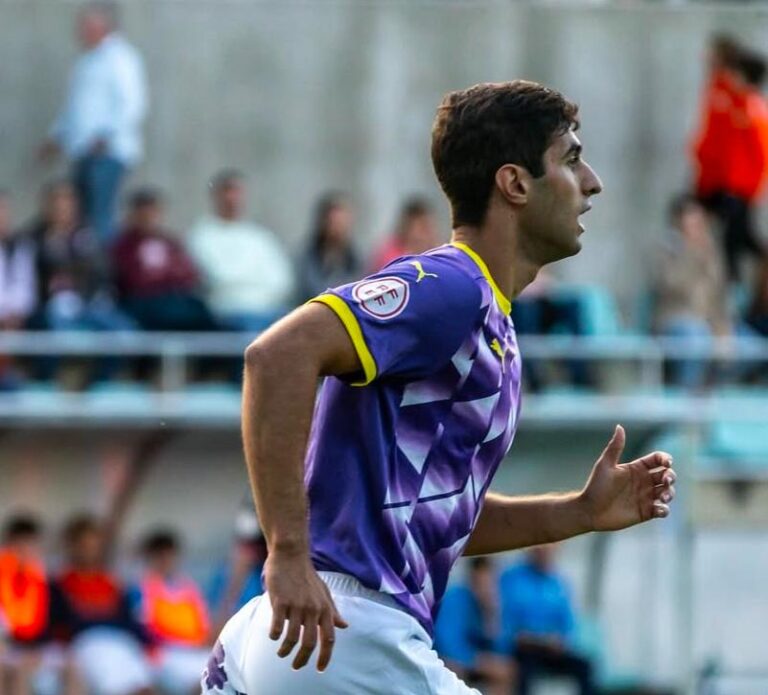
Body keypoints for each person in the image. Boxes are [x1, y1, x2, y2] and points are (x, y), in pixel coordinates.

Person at [203, 81, 677, 694]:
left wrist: (577, 513)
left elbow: (432, 515)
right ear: (515, 184)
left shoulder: (492, 323)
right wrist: (287, 552)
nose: (592, 182)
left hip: (299, 637)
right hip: (345, 629)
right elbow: (277, 356)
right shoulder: (451, 286)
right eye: (570, 159)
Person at [40, 1, 148, 245]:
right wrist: (56, 137)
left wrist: (105, 136)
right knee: (80, 218)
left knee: (100, 217)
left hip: (107, 152)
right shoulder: (86, 62)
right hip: (82, 151)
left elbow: (133, 104)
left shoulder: (121, 58)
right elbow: (76, 109)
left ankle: (100, 276)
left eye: (86, 26)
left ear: (103, 27)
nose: (80, 32)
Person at [49, 514, 154, 695]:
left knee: (143, 685)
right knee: (116, 684)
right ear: (71, 547)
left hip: (120, 642)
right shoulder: (60, 583)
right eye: (84, 546)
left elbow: (128, 620)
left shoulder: (111, 583)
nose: (89, 551)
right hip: (86, 643)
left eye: (93, 546)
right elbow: (61, 623)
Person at [691, 36, 768, 280]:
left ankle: (734, 297)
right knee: (735, 239)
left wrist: (746, 190)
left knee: (734, 243)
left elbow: (758, 156)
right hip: (721, 183)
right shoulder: (731, 99)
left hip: (737, 189)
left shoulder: (750, 108)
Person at [187, 170, 296, 332]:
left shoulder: (259, 236)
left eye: (237, 192)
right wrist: (255, 281)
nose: (233, 198)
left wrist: (246, 285)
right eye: (227, 191)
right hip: (227, 314)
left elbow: (281, 281)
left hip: (267, 310)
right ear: (215, 195)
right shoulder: (202, 236)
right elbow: (219, 279)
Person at [652, 194, 731, 389]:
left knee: (750, 346)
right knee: (696, 340)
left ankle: (710, 393)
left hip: (707, 322)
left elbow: (718, 293)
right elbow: (671, 284)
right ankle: (685, 400)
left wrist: (723, 327)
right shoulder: (666, 249)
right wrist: (691, 253)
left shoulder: (711, 251)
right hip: (674, 321)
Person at [112, 187, 218, 332]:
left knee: (204, 313)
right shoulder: (124, 246)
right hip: (142, 303)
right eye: (144, 213)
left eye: (153, 212)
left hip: (174, 299)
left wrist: (162, 276)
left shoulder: (170, 242)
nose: (149, 218)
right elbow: (134, 280)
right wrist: (166, 276)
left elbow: (189, 274)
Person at [500, 545, 593, 695]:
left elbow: (568, 625)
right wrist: (524, 637)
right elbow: (505, 620)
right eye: (540, 548)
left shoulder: (559, 583)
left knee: (584, 665)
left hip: (550, 650)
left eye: (548, 549)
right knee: (523, 671)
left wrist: (561, 640)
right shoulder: (512, 578)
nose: (544, 552)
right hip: (523, 649)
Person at [132, 529, 210, 695]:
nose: (165, 560)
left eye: (168, 555)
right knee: (202, 684)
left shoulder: (189, 589)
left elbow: (203, 629)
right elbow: (143, 633)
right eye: (159, 556)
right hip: (164, 655)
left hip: (194, 652)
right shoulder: (141, 590)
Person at [434, 558, 513, 695]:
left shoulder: (496, 602)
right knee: (454, 668)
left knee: (505, 670)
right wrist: (476, 661)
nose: (484, 586)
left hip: (476, 660)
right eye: (479, 581)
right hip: (452, 659)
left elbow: (503, 647)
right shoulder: (455, 598)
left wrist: (491, 616)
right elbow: (447, 644)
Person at [0, 515, 50, 695]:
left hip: (33, 648)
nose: (25, 550)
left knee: (73, 666)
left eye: (30, 544)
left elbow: (44, 623)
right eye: (19, 545)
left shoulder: (39, 577)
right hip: (8, 648)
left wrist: (36, 649)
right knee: (15, 670)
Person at [207, 504, 267, 638]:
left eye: (255, 546)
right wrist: (235, 582)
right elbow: (214, 634)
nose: (250, 552)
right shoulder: (226, 574)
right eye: (244, 545)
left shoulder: (268, 574)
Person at [0, 191, 37, 390]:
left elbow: (26, 287)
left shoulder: (19, 245)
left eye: (3, 211)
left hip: (13, 317)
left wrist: (13, 311)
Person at [296, 192, 361, 302]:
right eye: (335, 222)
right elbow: (309, 289)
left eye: (343, 222)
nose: (339, 228)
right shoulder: (309, 257)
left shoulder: (354, 258)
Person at [369, 196, 442, 270]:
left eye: (430, 226)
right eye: (422, 227)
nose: (428, 232)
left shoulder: (437, 254)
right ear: (407, 227)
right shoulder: (390, 255)